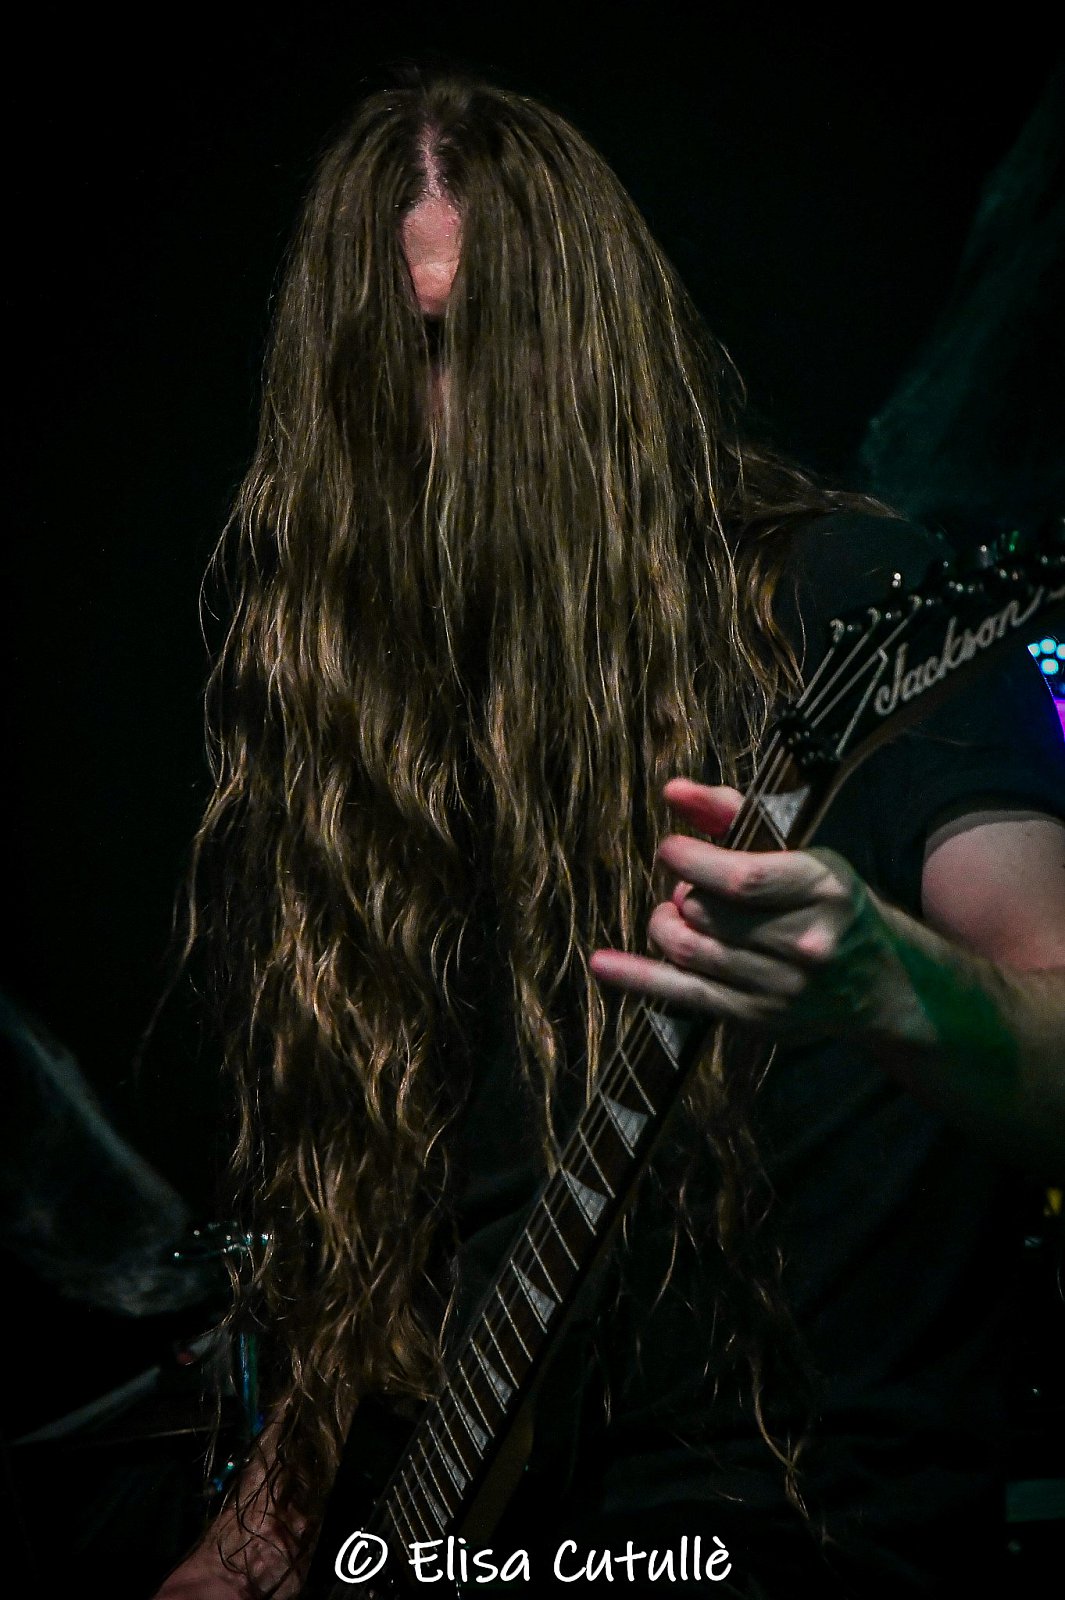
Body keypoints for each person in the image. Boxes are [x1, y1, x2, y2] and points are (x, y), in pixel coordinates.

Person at [153, 72, 1065, 1599]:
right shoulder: (371, 741)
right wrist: (259, 1537)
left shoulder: (838, 604)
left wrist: (893, 982)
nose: (442, 402)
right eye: (394, 353)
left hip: (790, 1532)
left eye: (481, 334)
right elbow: (394, 1255)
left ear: (596, 341)